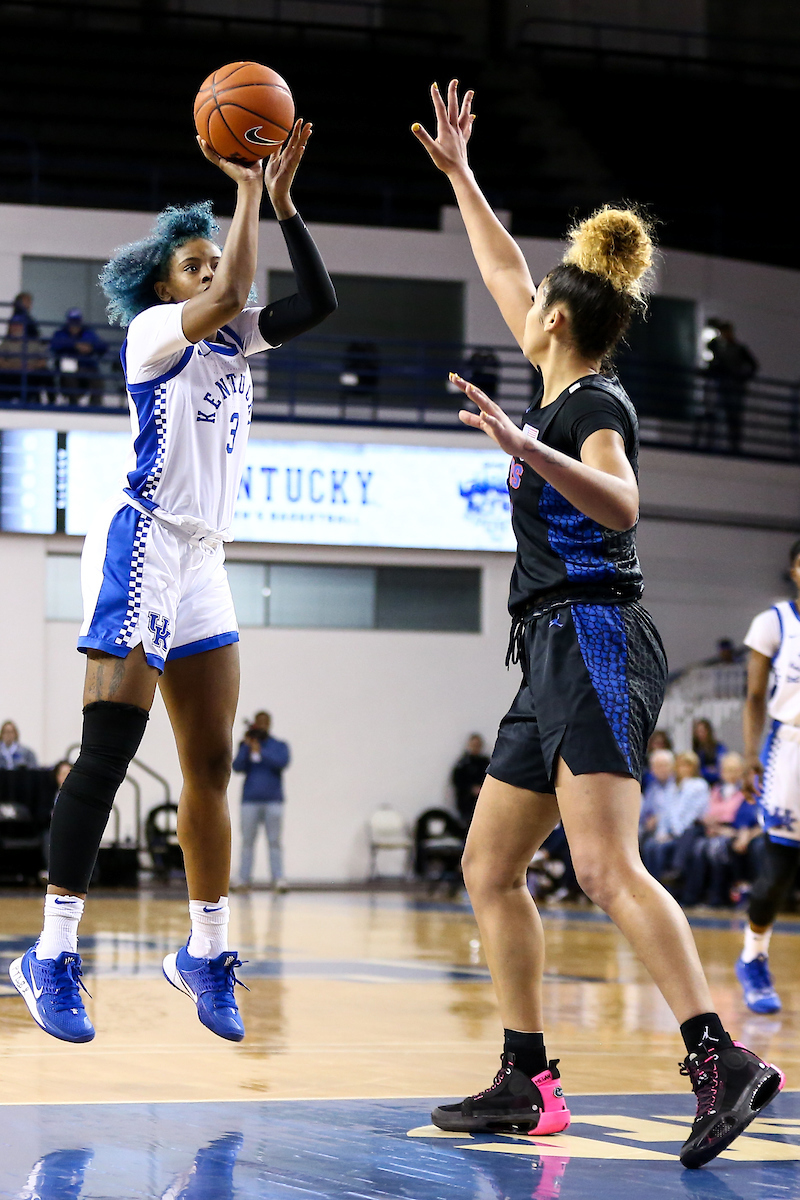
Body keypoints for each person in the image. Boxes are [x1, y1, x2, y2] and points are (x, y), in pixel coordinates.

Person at [411, 78, 782, 1169]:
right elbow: (505, 269)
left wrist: (525, 449)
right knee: (488, 865)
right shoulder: (554, 380)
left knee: (606, 868)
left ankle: (721, 1060)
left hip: (597, 635)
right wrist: (463, 176)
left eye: (537, 303)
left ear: (559, 324)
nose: (519, 302)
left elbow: (622, 504)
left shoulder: (592, 406)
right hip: (548, 651)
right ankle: (527, 1077)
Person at [9, 119, 337, 1047]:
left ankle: (205, 950)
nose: (214, 272)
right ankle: (51, 953)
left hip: (204, 560)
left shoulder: (236, 342)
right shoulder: (155, 333)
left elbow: (317, 301)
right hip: (143, 540)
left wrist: (284, 207)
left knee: (210, 765)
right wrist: (244, 191)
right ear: (165, 286)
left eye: (214, 261)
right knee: (107, 753)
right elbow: (234, 287)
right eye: (194, 264)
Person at [735, 539, 800, 1014]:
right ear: (794, 570)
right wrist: (750, 756)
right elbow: (755, 697)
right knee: (778, 872)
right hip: (788, 748)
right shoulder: (775, 622)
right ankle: (753, 958)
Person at [232, 710, 290, 890]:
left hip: (273, 800)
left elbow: (282, 762)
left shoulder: (278, 745)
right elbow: (237, 766)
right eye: (259, 722)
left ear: (269, 724)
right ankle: (243, 879)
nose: (262, 726)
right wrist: (246, 747)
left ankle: (278, 878)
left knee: (274, 841)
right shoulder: (247, 744)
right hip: (250, 800)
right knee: (247, 841)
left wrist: (261, 752)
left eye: (265, 722)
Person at [705, 321, 758, 455]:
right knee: (718, 415)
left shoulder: (739, 348)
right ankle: (714, 444)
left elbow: (753, 365)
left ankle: (734, 446)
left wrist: (742, 377)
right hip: (722, 386)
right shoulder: (720, 348)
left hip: (734, 387)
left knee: (734, 418)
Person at [50, 308, 107, 406]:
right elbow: (54, 346)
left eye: (77, 322)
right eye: (72, 322)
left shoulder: (88, 333)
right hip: (68, 368)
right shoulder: (61, 333)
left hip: (87, 367)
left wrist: (91, 347)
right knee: (69, 377)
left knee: (97, 379)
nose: (74, 326)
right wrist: (74, 345)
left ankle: (95, 407)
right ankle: (73, 405)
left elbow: (102, 346)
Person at [0, 314, 55, 403]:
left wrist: (31, 366)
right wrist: (15, 367)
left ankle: (52, 402)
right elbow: (1, 361)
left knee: (46, 373)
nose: (15, 327)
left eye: (18, 325)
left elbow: (43, 361)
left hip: (31, 374)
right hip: (12, 375)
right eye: (13, 325)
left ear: (23, 327)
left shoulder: (33, 343)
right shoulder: (6, 344)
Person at [451, 733, 490, 828]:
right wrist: (471, 789)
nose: (476, 748)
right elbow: (457, 782)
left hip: (484, 803)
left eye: (478, 745)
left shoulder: (486, 763)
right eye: (473, 745)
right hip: (467, 804)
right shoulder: (462, 764)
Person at [692, 717, 727, 786]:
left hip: (718, 783)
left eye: (703, 731)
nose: (700, 734)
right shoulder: (696, 750)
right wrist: (706, 770)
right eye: (698, 732)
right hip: (700, 783)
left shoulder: (718, 747)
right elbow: (696, 770)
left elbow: (721, 767)